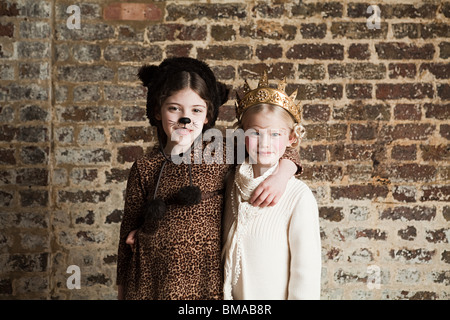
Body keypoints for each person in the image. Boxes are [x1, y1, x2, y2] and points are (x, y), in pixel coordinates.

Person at [116, 58, 302, 300]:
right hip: (151, 281)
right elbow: (126, 237)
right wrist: (122, 293)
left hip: (205, 279)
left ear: (207, 116)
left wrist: (282, 174)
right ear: (157, 112)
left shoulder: (223, 153)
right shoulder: (145, 167)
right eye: (174, 108)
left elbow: (278, 148)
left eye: (196, 110)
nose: (185, 118)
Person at [222, 71, 322, 300]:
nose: (265, 143)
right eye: (255, 133)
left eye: (275, 133)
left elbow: (305, 274)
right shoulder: (230, 183)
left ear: (291, 139)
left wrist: (284, 171)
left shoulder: (298, 197)